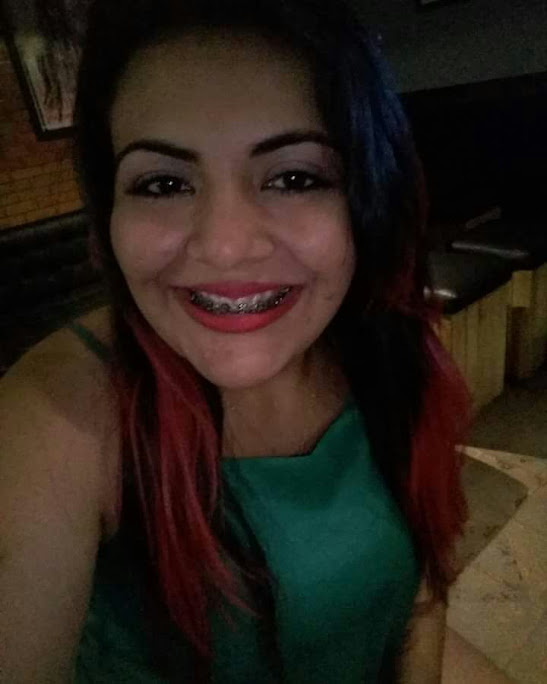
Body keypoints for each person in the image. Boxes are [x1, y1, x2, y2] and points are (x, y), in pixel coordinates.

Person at [0, 0, 516, 682]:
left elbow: (420, 594)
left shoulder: (390, 345)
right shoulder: (52, 417)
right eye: (163, 183)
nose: (225, 246)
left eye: (294, 178)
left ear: (367, 197)